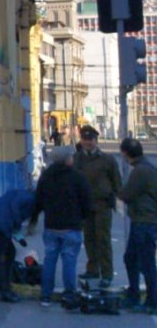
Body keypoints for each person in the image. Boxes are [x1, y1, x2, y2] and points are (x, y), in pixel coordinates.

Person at [34, 144, 92, 307]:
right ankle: (69, 295)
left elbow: (38, 200)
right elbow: (86, 201)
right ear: (67, 159)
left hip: (51, 226)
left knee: (49, 261)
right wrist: (83, 218)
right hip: (71, 227)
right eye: (71, 156)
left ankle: (46, 296)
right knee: (69, 262)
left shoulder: (45, 176)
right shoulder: (77, 177)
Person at [73, 124, 120, 287]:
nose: (88, 143)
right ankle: (92, 269)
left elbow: (117, 182)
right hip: (85, 207)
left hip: (103, 206)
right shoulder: (77, 158)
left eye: (90, 140)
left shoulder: (107, 160)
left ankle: (107, 274)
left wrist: (118, 200)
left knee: (103, 240)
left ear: (96, 141)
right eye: (85, 139)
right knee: (89, 240)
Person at [0, 188, 38, 302]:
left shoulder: (21, 193)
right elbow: (14, 207)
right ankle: (3, 291)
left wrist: (19, 238)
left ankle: (5, 287)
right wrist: (18, 225)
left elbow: (10, 212)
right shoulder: (30, 199)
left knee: (9, 252)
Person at [118, 137, 157, 314]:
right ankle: (135, 293)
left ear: (126, 153)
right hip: (143, 219)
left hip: (144, 221)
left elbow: (127, 194)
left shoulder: (141, 171)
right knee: (132, 258)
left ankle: (151, 300)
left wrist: (115, 191)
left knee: (145, 262)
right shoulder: (146, 167)